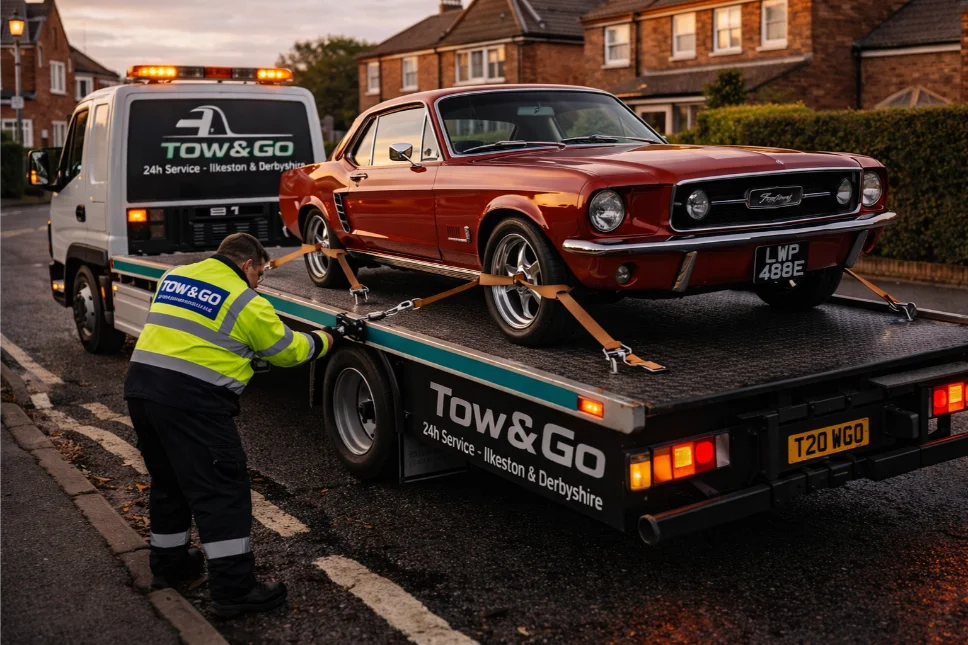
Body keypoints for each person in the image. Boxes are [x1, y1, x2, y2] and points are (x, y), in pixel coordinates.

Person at [124, 233, 333, 618]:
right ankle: (234, 591)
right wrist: (326, 340)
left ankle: (169, 568)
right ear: (247, 264)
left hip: (142, 392)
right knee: (221, 492)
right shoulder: (245, 301)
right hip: (193, 404)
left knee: (170, 483)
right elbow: (288, 352)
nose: (259, 282)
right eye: (260, 274)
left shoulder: (175, 276)